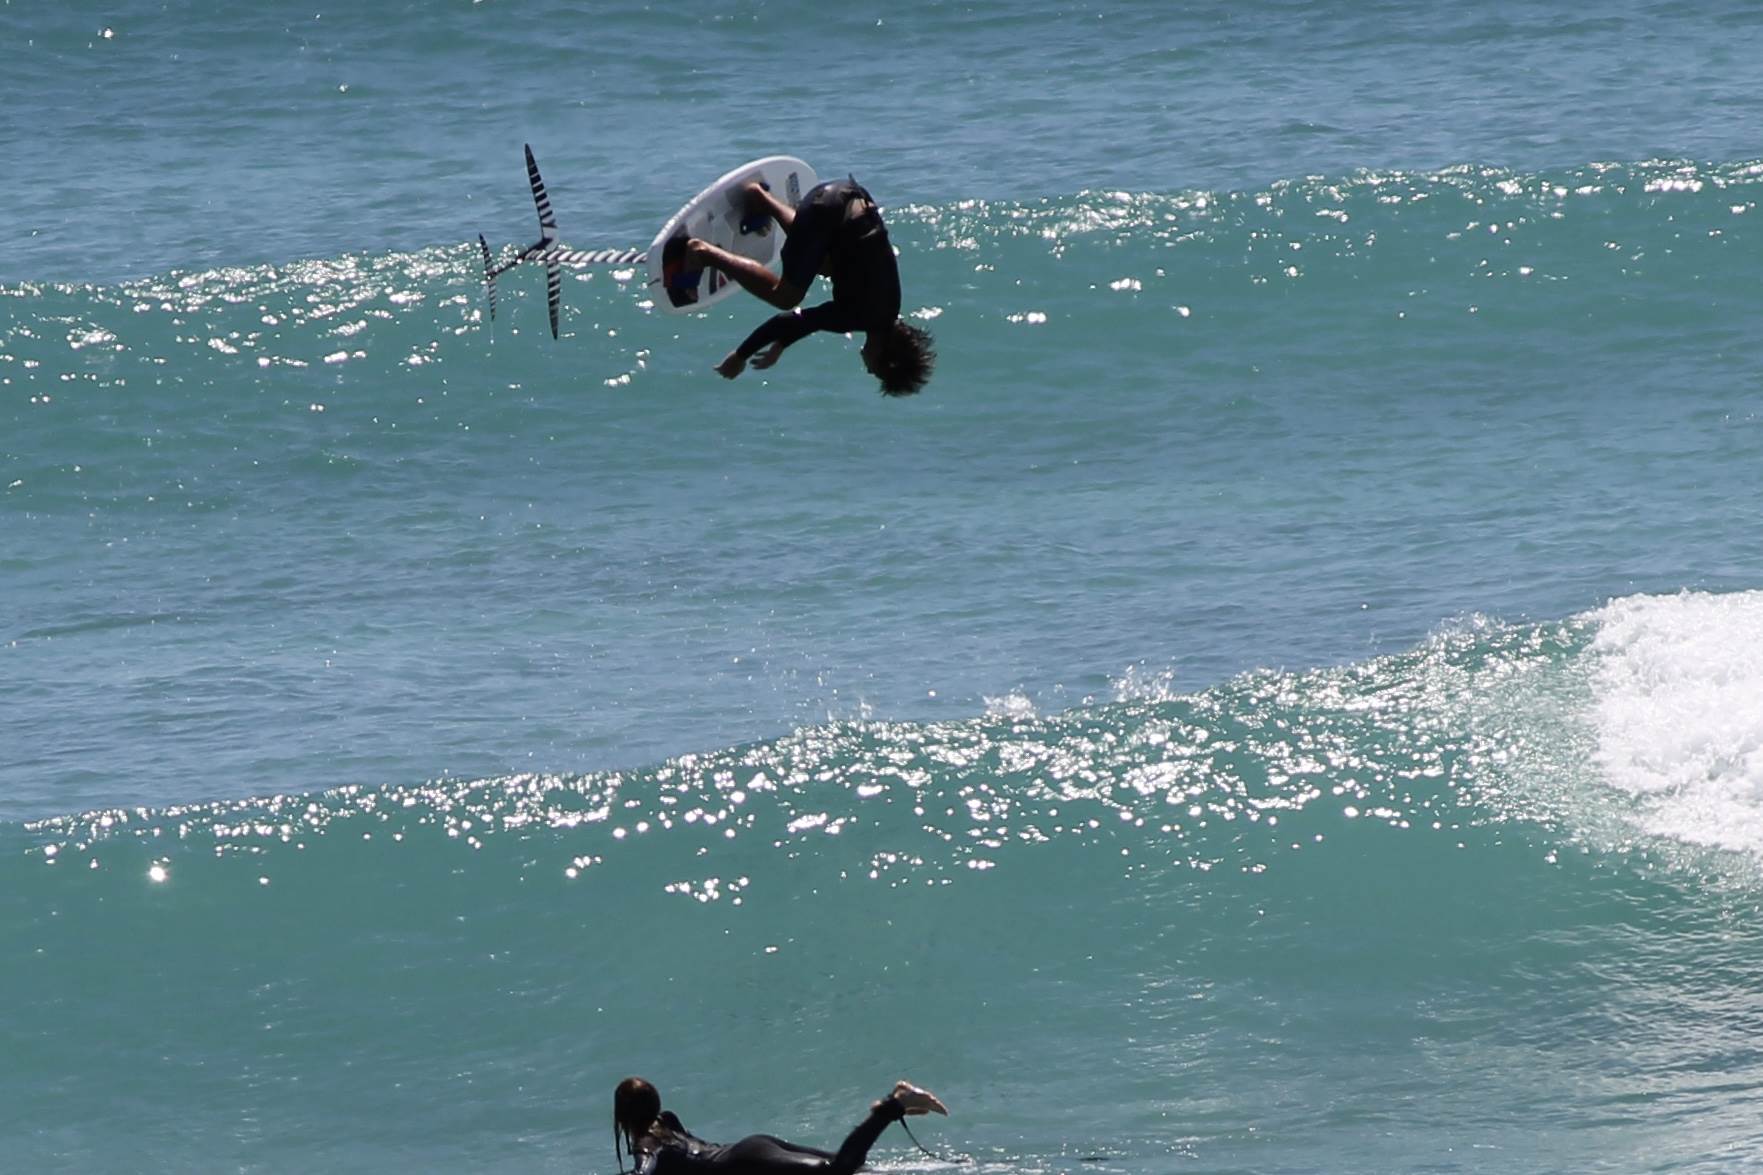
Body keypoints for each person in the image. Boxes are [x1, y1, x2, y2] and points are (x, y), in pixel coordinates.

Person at [671, 177, 937, 397]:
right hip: (824, 215)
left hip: (846, 196)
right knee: (786, 297)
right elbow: (790, 319)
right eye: (877, 372)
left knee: (826, 265)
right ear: (885, 357)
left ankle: (759, 198)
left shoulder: (888, 308)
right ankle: (701, 252)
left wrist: (782, 343)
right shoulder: (861, 316)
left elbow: (808, 323)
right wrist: (740, 355)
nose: (869, 371)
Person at [613, 1075, 948, 1174]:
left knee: (839, 1171)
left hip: (745, 1163)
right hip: (751, 1147)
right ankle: (895, 1106)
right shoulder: (668, 1120)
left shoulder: (647, 1143)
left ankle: (894, 1105)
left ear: (623, 1116)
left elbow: (645, 1169)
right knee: (856, 1168)